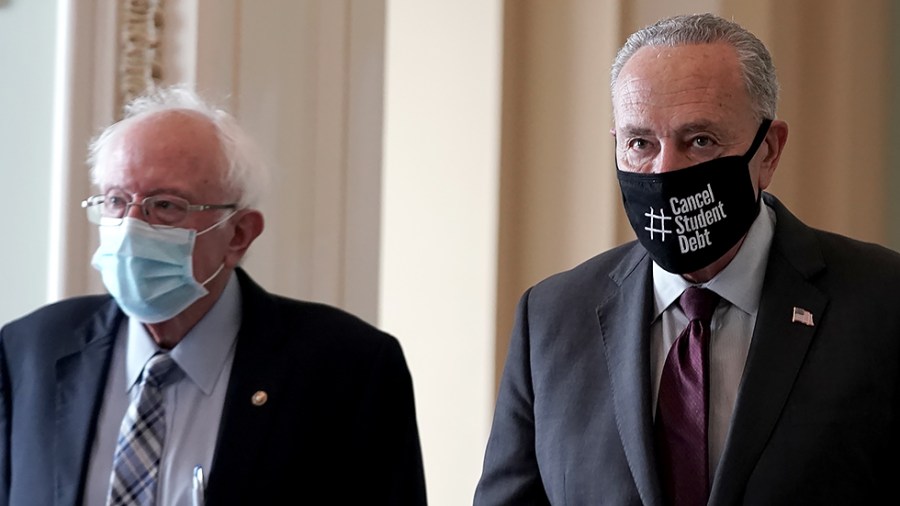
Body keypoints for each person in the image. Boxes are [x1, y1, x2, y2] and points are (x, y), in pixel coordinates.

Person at [475, 13, 900, 506]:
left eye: (700, 141)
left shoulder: (882, 305)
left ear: (769, 151)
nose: (664, 171)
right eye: (640, 144)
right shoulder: (551, 318)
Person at [0, 86, 427, 505]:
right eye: (115, 201)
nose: (130, 226)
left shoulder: (347, 369)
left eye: (164, 205)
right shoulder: (31, 352)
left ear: (239, 234)